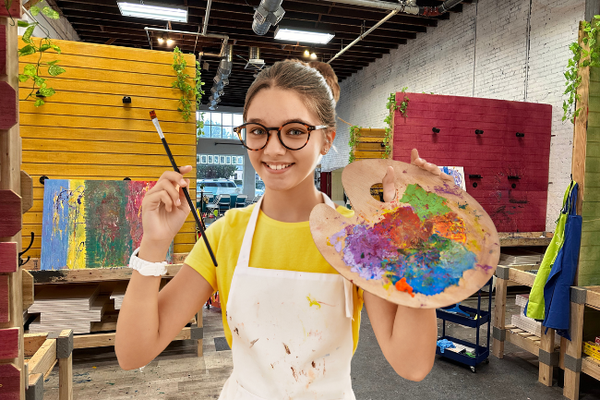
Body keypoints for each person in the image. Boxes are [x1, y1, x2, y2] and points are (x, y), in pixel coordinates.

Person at [115, 59, 452, 399]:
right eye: (258, 131)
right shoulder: (225, 234)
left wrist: (416, 246)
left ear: (326, 140)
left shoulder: (358, 237)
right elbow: (133, 354)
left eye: (294, 131)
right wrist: (155, 243)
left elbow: (411, 365)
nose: (273, 149)